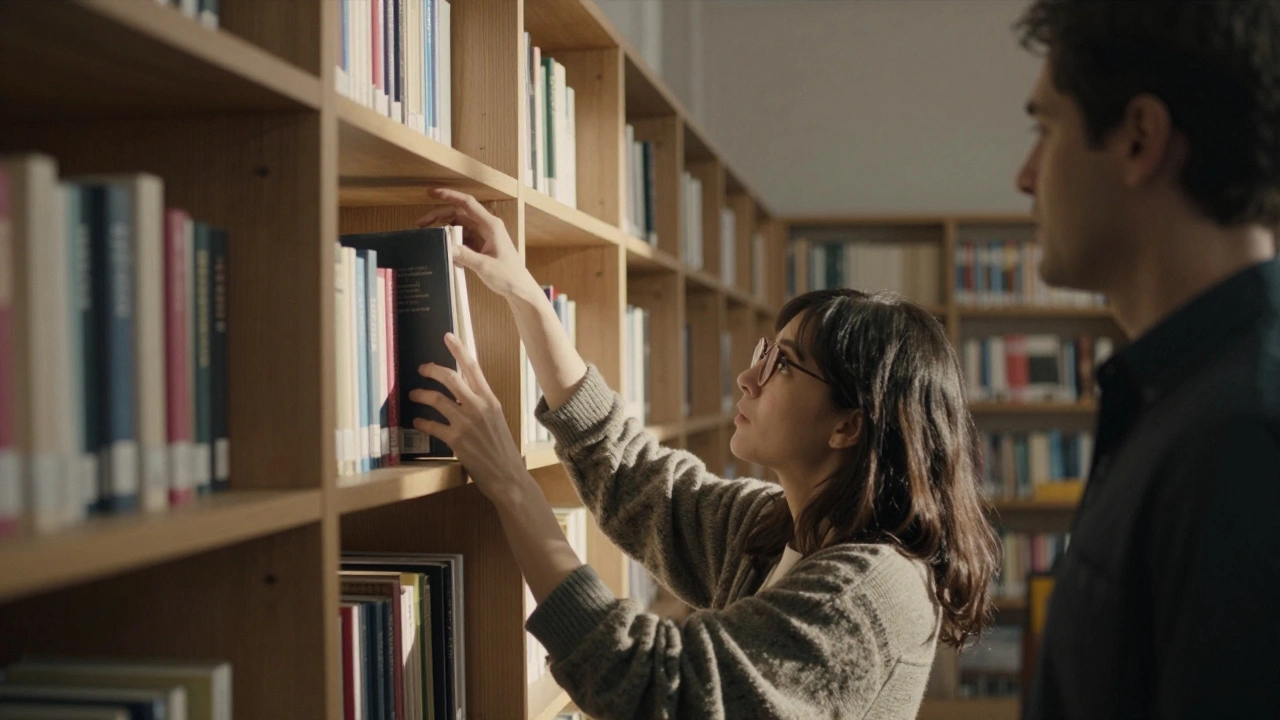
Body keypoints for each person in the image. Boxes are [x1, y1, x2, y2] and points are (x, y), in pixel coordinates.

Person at [406, 187, 1000, 719]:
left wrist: (512, 483)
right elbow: (638, 480)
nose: (747, 377)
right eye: (765, 352)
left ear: (848, 425)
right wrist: (526, 296)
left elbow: (654, 686)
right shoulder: (780, 526)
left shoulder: (868, 594)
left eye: (783, 366)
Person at [1013, 1, 1280, 718]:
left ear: (1138, 139)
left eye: (1045, 130)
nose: (1025, 176)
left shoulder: (1242, 439)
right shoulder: (1176, 399)